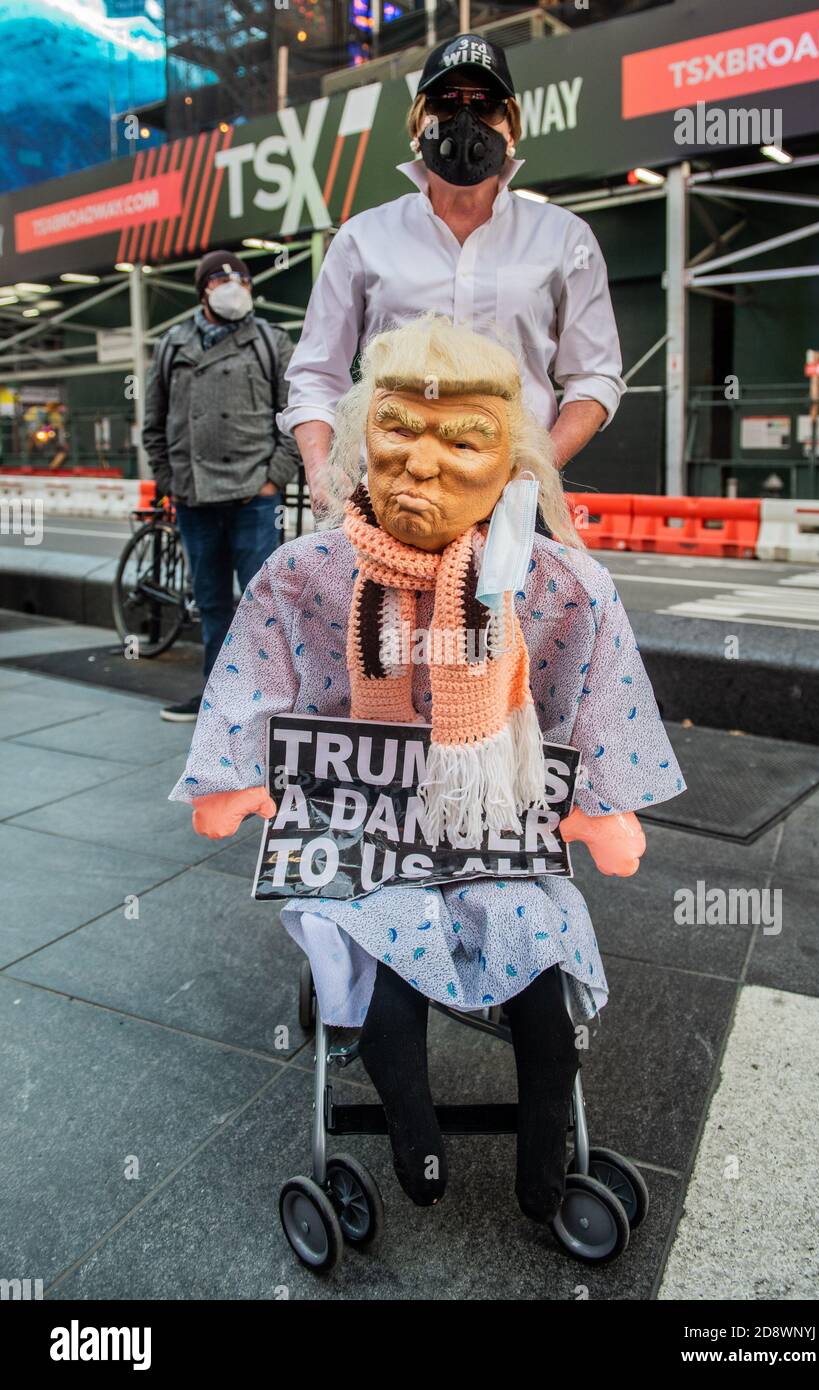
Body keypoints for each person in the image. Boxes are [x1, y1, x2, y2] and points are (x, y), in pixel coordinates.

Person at [169, 316, 685, 1225]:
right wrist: (232, 773)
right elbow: (253, 665)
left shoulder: (547, 577)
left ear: (512, 460)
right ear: (363, 428)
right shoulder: (306, 572)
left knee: (537, 951)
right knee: (387, 947)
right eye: (397, 429)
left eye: (460, 439)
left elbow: (595, 667)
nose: (421, 462)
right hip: (365, 831)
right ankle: (418, 1144)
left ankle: (544, 1168)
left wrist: (604, 803)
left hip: (495, 825)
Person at [278, 31, 626, 513]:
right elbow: (316, 375)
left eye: (484, 105)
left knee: (506, 595)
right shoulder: (362, 238)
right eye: (445, 102)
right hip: (386, 493)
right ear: (419, 121)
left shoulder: (566, 239)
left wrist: (533, 470)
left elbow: (594, 378)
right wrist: (322, 471)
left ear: (511, 127)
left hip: (513, 498)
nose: (464, 120)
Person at [143, 250, 300, 722]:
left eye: (241, 280)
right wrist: (170, 480)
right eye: (220, 279)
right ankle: (215, 697)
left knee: (263, 602)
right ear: (203, 290)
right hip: (194, 497)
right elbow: (153, 422)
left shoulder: (271, 341)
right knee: (211, 602)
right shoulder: (174, 343)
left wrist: (274, 479)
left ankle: (267, 700)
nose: (233, 286)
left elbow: (295, 418)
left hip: (254, 496)